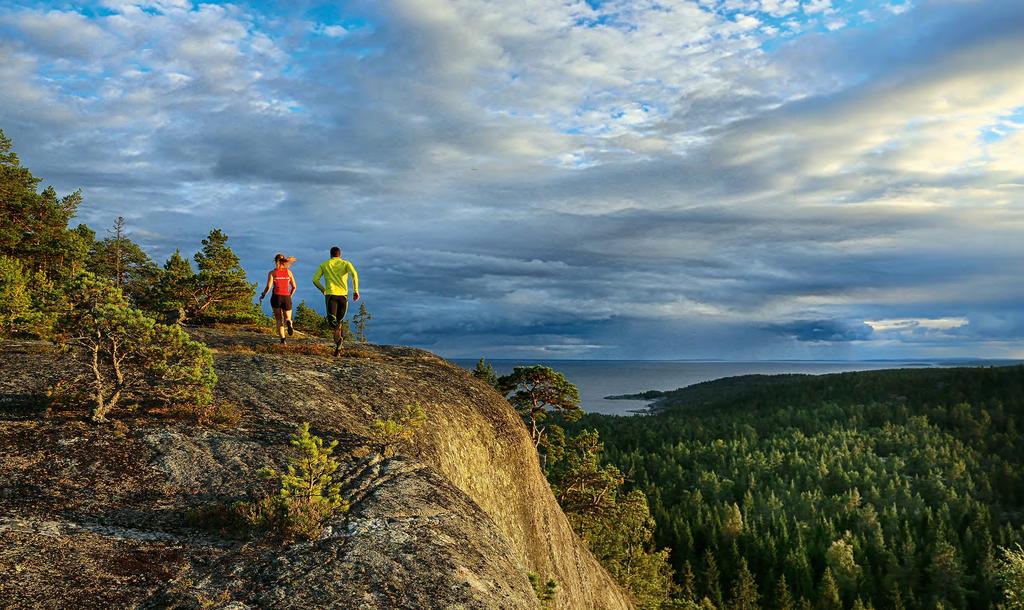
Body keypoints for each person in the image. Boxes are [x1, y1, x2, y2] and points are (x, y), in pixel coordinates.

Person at [313, 245, 360, 357]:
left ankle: (338, 343)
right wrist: (356, 291)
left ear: (330, 255)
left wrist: (323, 289)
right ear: (340, 255)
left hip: (331, 296)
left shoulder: (324, 264)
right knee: (339, 322)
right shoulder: (346, 263)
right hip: (343, 297)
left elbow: (315, 280)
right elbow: (354, 275)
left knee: (333, 323)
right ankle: (338, 350)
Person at [259, 253, 298, 344]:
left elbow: (268, 287)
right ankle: (289, 323)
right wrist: (289, 296)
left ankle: (283, 341)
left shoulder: (272, 273)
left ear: (275, 261)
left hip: (276, 297)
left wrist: (263, 295)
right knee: (287, 318)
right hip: (286, 297)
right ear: (284, 261)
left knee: (279, 319)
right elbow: (294, 287)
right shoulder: (289, 272)